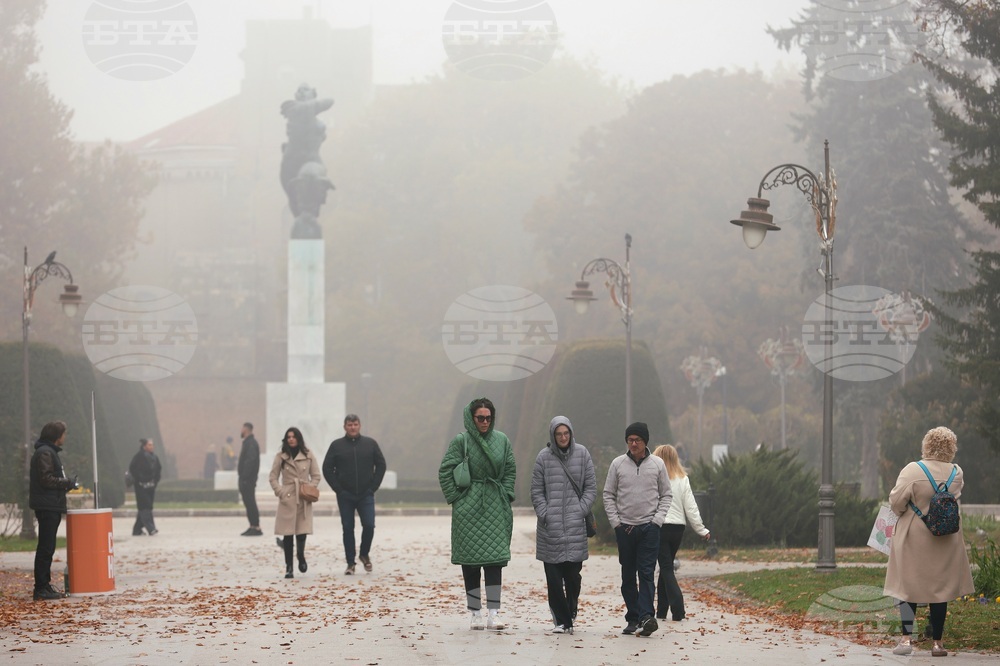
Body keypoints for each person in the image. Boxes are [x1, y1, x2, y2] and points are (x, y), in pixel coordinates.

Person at [883, 426, 974, 657]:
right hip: (945, 538)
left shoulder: (913, 470)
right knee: (940, 589)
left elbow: (896, 502)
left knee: (908, 587)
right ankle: (937, 644)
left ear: (926, 445)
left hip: (914, 536)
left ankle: (906, 640)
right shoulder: (957, 473)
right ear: (951, 448)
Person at [438, 397, 516, 631]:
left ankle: (494, 613)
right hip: (468, 508)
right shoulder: (461, 441)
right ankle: (475, 613)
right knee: (470, 564)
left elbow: (510, 468)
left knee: (495, 561)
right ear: (471, 418)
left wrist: (506, 494)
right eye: (480, 418)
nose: (484, 422)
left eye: (488, 418)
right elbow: (445, 470)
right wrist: (457, 498)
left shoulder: (502, 440)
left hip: (495, 505)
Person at [603, 422, 672, 637]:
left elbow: (666, 494)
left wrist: (657, 521)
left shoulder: (658, 464)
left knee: (646, 573)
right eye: (630, 440)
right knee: (628, 575)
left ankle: (646, 617)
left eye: (637, 440)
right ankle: (633, 617)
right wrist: (616, 523)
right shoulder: (617, 464)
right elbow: (608, 494)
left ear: (645, 442)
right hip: (625, 529)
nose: (633, 444)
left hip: (649, 528)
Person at [530, 416, 597, 635]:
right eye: (559, 434)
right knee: (554, 579)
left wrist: (580, 510)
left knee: (573, 578)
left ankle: (571, 609)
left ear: (571, 433)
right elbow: (536, 491)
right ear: (553, 435)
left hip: (575, 528)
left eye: (566, 433)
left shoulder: (583, 454)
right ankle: (561, 620)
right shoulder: (543, 457)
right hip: (550, 530)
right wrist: (545, 513)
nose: (563, 437)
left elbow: (591, 488)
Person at [652, 444, 710, 622]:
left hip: (660, 526)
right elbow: (691, 507)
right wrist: (701, 529)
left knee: (666, 568)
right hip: (678, 528)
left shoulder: (654, 478)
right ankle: (661, 611)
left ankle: (678, 609)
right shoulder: (683, 478)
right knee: (666, 566)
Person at [323, 414, 387, 575]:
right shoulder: (336, 446)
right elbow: (327, 468)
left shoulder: (370, 444)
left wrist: (373, 487)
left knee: (369, 525)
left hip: (366, 494)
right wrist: (338, 489)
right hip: (345, 495)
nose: (352, 427)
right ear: (344, 427)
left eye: (355, 424)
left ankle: (364, 553)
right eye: (349, 425)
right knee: (347, 528)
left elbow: (381, 465)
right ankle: (350, 563)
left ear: (359, 426)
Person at [29, 421, 78, 601]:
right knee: (46, 548)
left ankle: (44, 586)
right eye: (64, 434)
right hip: (47, 505)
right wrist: (67, 482)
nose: (65, 437)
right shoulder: (45, 453)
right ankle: (41, 588)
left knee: (47, 547)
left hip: (50, 504)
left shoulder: (48, 452)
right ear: (57, 436)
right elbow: (46, 479)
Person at [269, 427, 321, 579]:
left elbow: (316, 475)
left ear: (299, 438)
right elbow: (273, 477)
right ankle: (289, 567)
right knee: (287, 535)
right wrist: (280, 491)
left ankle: (301, 555)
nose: (291, 439)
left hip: (303, 498)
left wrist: (309, 488)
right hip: (287, 498)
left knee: (302, 532)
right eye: (288, 437)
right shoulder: (281, 456)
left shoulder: (308, 455)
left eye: (294, 436)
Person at [130, 438, 162, 536]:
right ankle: (151, 528)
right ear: (144, 446)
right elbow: (132, 468)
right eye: (149, 445)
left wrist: (155, 481)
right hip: (141, 486)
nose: (152, 447)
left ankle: (137, 530)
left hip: (151, 486)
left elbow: (158, 469)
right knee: (145, 506)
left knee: (147, 506)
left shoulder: (154, 457)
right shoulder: (139, 457)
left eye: (152, 445)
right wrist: (140, 479)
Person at [238, 422, 262, 536]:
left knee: (250, 502)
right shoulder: (248, 442)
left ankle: (256, 526)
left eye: (242, 428)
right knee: (248, 502)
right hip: (247, 479)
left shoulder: (251, 443)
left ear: (246, 429)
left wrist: (244, 477)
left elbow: (250, 461)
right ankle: (252, 525)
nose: (241, 431)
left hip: (248, 479)